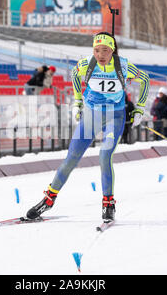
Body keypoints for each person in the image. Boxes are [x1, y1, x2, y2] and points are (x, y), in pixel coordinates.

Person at [26, 32, 150, 223]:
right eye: (97, 50)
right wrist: (77, 102)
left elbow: (145, 80)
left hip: (114, 116)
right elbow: (75, 74)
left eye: (105, 50)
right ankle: (49, 199)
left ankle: (108, 204)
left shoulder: (123, 65)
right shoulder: (87, 64)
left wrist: (140, 109)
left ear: (113, 50)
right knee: (71, 158)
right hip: (92, 115)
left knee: (104, 156)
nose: (100, 54)